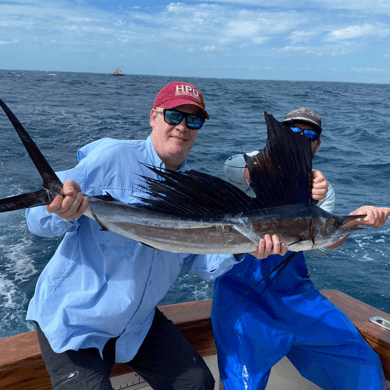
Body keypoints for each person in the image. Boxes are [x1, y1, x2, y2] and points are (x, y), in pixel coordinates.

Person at [25, 81, 286, 390]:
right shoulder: (112, 158)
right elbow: (36, 219)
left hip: (136, 322)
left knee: (197, 383)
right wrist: (59, 210)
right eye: (174, 116)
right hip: (75, 320)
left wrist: (246, 248)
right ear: (154, 117)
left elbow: (200, 261)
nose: (182, 127)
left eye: (193, 120)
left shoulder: (193, 188)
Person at [211, 107, 389, 390]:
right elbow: (231, 167)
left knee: (365, 366)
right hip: (242, 296)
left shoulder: (323, 189)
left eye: (310, 134)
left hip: (296, 296)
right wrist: (264, 171)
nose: (302, 138)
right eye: (294, 131)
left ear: (317, 143)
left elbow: (319, 249)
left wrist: (355, 222)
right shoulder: (252, 164)